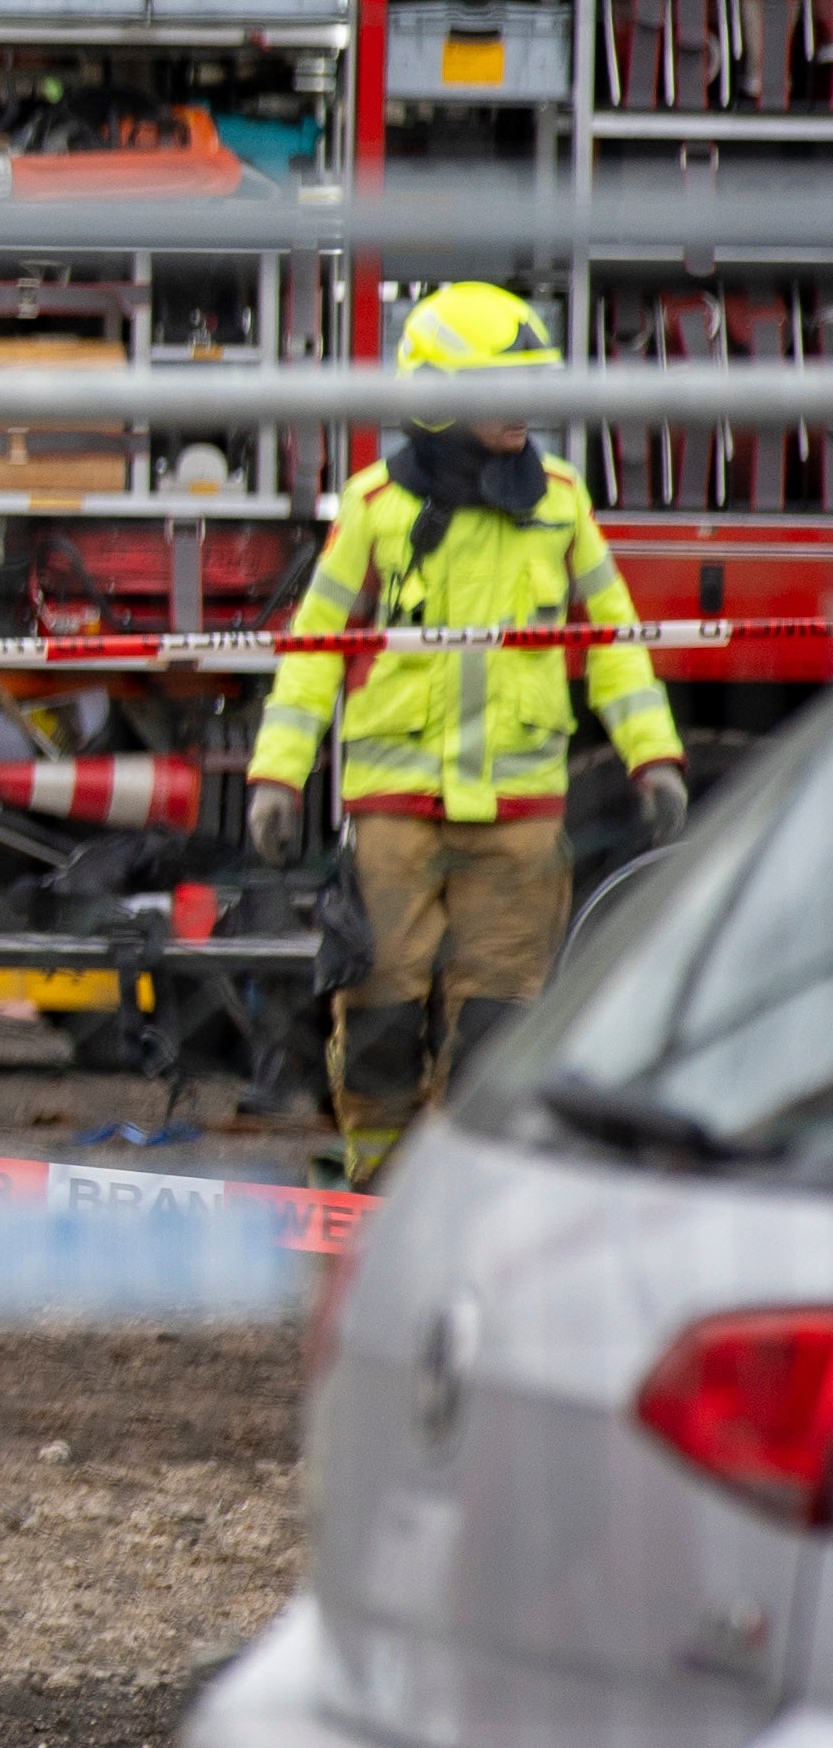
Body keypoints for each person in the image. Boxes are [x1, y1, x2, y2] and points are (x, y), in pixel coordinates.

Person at [246, 282, 693, 1156]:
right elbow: (312, 652)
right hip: (395, 813)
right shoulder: (376, 510)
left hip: (520, 821)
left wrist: (655, 758)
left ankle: (465, 1198)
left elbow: (616, 644)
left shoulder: (560, 503)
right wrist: (275, 776)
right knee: (378, 1017)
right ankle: (375, 1192)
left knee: (501, 1028)